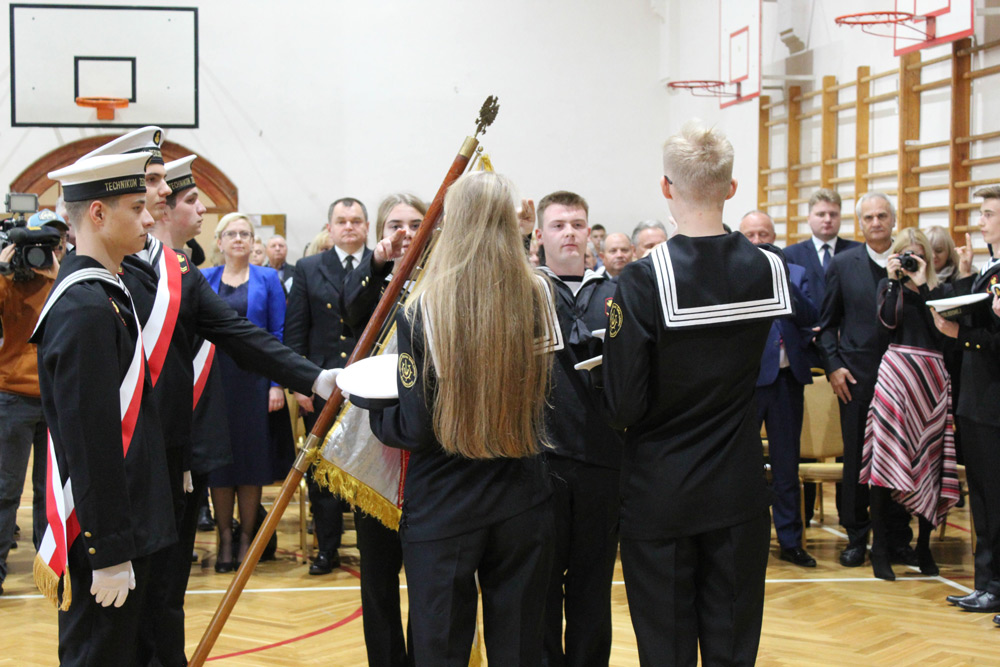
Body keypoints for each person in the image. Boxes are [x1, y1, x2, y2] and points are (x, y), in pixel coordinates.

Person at [603, 122, 790, 666]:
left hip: (661, 493)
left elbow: (623, 404)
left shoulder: (641, 279)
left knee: (667, 651)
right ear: (731, 187)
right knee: (733, 649)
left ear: (667, 187)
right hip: (738, 488)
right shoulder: (767, 267)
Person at [363, 170, 556, 665]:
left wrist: (375, 412)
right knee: (519, 646)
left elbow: (415, 426)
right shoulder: (538, 293)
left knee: (441, 646)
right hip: (522, 488)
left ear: (452, 224)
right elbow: (546, 394)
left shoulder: (423, 308)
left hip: (444, 498)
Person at [34, 152, 176, 665]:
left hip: (128, 522)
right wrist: (109, 551)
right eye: (137, 207)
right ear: (97, 213)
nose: (148, 219)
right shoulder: (85, 308)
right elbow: (92, 442)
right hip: (101, 535)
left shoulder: (106, 292)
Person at [533, 190, 623, 666]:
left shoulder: (617, 292)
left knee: (593, 585)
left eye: (577, 224)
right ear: (539, 234)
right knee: (543, 586)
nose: (569, 233)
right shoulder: (525, 292)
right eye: (558, 224)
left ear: (590, 232)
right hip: (541, 458)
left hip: (602, 458)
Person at [818, 192, 916, 568]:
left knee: (900, 458)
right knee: (856, 460)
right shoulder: (843, 264)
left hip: (903, 379)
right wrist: (833, 367)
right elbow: (827, 325)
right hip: (857, 380)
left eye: (882, 216)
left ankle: (897, 537)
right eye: (869, 217)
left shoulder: (910, 263)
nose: (876, 222)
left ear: (894, 220)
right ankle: (857, 536)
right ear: (860, 223)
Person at [860, 228, 960, 581]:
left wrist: (924, 285)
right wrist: (892, 281)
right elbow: (886, 325)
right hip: (897, 374)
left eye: (918, 255)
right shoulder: (889, 287)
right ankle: (880, 549)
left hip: (931, 378)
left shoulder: (941, 291)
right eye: (906, 254)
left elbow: (944, 333)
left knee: (930, 460)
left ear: (928, 258)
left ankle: (924, 547)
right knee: (885, 460)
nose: (911, 260)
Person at [201, 213, 291, 571]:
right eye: (231, 233)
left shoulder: (268, 278)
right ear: (219, 241)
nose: (238, 239)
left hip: (255, 383)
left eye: (245, 233)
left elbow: (277, 334)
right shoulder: (205, 278)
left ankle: (246, 540)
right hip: (216, 383)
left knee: (252, 464)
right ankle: (224, 537)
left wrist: (276, 383)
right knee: (221, 465)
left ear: (254, 242)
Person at [286, 197, 371, 575]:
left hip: (369, 382)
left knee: (368, 465)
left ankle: (373, 546)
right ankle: (328, 548)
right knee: (322, 468)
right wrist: (300, 383)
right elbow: (296, 329)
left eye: (356, 220)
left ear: (366, 227)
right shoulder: (308, 268)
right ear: (330, 228)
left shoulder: (380, 265)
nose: (349, 227)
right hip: (323, 385)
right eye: (342, 221)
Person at [932, 185, 1000, 616]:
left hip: (994, 400)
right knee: (985, 500)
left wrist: (962, 335)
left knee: (996, 498)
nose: (981, 221)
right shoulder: (990, 268)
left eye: (989, 213)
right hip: (977, 399)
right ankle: (987, 584)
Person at [739, 210, 819, 568]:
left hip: (787, 382)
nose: (758, 241)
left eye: (764, 234)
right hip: (747, 384)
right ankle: (746, 539)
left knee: (787, 466)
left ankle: (790, 541)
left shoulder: (795, 272)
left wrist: (782, 278)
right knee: (744, 466)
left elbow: (810, 317)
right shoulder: (733, 275)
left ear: (775, 237)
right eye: (751, 235)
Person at [0, 212, 63, 596]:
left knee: (50, 490)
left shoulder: (63, 280)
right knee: (6, 489)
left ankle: (49, 566)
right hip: (13, 396)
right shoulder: (7, 283)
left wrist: (56, 273)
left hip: (54, 396)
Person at [783, 188, 860, 310]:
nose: (828, 220)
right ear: (809, 218)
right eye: (821, 214)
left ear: (840, 217)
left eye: (833, 214)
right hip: (808, 321)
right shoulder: (791, 255)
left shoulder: (857, 252)